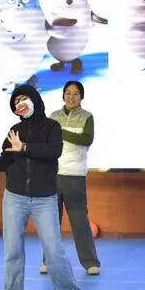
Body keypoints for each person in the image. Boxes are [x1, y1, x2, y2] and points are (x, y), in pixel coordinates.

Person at [0, 85, 84, 290]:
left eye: (24, 98)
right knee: (13, 250)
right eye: (16, 100)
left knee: (54, 250)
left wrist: (25, 147)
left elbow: (54, 151)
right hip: (15, 198)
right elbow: (3, 163)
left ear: (35, 99)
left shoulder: (51, 126)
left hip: (45, 199)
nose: (20, 102)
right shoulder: (14, 130)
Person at [46, 80, 101, 276]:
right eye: (68, 93)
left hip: (74, 175)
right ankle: (48, 261)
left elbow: (86, 139)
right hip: (52, 175)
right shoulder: (53, 116)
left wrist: (61, 132)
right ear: (63, 95)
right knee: (50, 222)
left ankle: (90, 262)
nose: (71, 96)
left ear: (81, 97)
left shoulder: (87, 117)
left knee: (79, 221)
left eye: (75, 93)